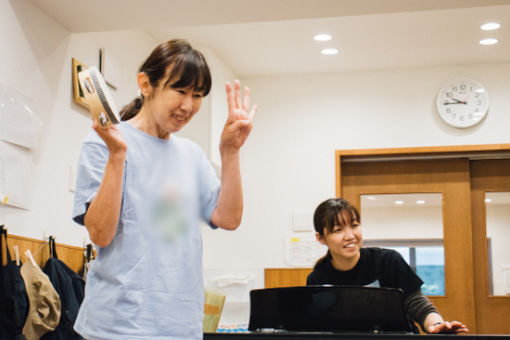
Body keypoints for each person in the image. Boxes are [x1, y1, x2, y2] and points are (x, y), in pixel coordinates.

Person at [72, 39, 256, 340]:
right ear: (146, 84)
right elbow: (101, 234)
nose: (188, 105)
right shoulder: (103, 143)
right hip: (117, 326)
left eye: (197, 95)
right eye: (180, 91)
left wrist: (230, 152)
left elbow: (228, 218)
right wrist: (118, 154)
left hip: (181, 325)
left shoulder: (191, 154)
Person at [307, 198, 469, 334]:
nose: (350, 236)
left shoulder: (387, 261)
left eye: (355, 225)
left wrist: (435, 325)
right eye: (338, 230)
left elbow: (417, 304)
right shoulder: (317, 278)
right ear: (321, 238)